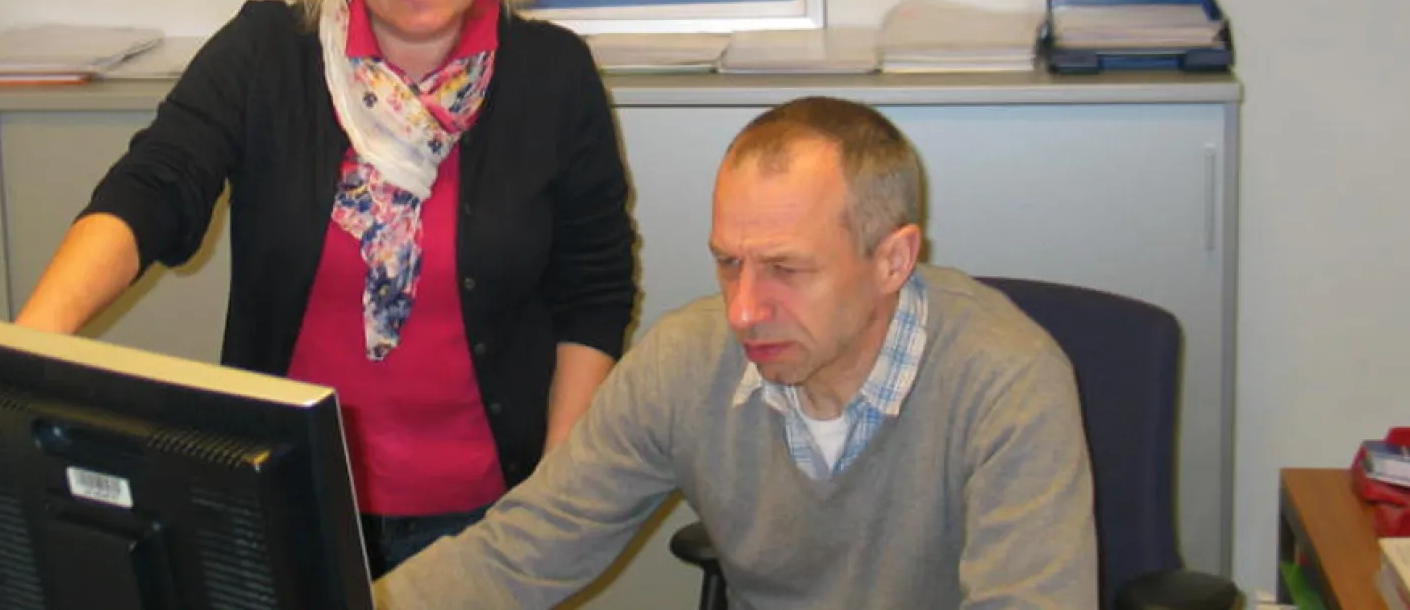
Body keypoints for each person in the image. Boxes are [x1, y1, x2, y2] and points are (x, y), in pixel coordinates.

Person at [0, 0, 638, 576]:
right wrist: (19, 354)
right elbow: (153, 188)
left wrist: (553, 489)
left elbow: (594, 291)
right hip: (285, 496)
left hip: (486, 514)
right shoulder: (269, 52)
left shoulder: (553, 73)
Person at [373, 97, 1098, 608]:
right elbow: (522, 551)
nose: (744, 311)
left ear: (892, 260)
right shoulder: (685, 363)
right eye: (728, 263)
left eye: (786, 269)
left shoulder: (1007, 382)